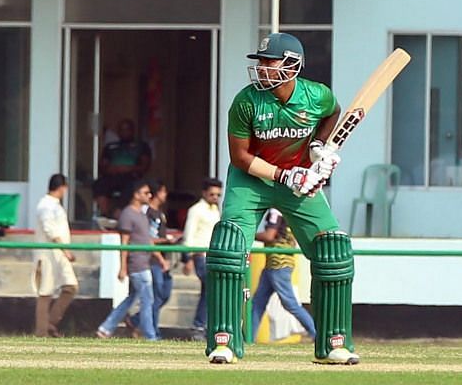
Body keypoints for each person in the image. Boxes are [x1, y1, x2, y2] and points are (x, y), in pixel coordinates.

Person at [205, 32, 358, 365]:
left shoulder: (317, 95)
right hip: (252, 180)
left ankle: (334, 342)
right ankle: (225, 341)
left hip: (299, 182)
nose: (262, 68)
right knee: (229, 246)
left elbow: (334, 114)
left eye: (269, 62)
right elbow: (240, 157)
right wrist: (282, 174)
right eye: (260, 62)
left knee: (332, 248)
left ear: (292, 65)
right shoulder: (246, 102)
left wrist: (321, 147)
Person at [96, 180, 169, 340]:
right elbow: (125, 242)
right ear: (136, 195)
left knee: (132, 299)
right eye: (145, 193)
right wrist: (123, 267)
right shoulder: (128, 214)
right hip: (137, 264)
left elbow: (147, 240)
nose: (149, 195)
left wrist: (160, 259)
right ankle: (150, 336)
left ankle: (106, 328)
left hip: (144, 261)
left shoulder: (142, 214)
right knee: (147, 301)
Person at [252, 208, 316, 341]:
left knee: (290, 303)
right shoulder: (289, 211)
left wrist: (248, 234)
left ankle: (315, 333)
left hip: (278, 264)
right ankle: (247, 339)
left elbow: (269, 235)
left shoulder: (275, 212)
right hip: (275, 264)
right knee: (258, 303)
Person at [33, 174, 78, 337]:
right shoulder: (45, 205)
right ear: (62, 188)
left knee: (71, 286)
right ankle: (41, 332)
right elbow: (49, 229)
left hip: (59, 255)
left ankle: (51, 323)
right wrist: (65, 249)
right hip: (47, 254)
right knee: (45, 292)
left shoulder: (55, 206)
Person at [129, 179, 175, 339]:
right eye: (163, 191)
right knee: (155, 295)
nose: (165, 195)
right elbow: (146, 238)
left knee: (164, 294)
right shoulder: (146, 213)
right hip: (153, 260)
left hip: (163, 259)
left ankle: (136, 320)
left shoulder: (160, 214)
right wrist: (164, 243)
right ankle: (152, 331)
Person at [182, 177, 223, 340]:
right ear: (204, 193)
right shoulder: (196, 210)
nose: (215, 198)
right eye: (212, 194)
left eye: (218, 195)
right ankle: (200, 326)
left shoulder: (215, 210)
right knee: (212, 289)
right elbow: (189, 235)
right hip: (200, 255)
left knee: (209, 292)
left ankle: (201, 326)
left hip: (213, 255)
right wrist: (188, 258)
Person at [92, 119, 152, 218]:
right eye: (121, 130)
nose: (124, 132)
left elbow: (144, 166)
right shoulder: (111, 146)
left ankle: (119, 214)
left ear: (132, 131)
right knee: (99, 184)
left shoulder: (141, 146)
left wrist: (129, 169)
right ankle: (105, 215)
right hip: (112, 177)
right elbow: (103, 166)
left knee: (132, 188)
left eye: (127, 129)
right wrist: (111, 169)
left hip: (132, 178)